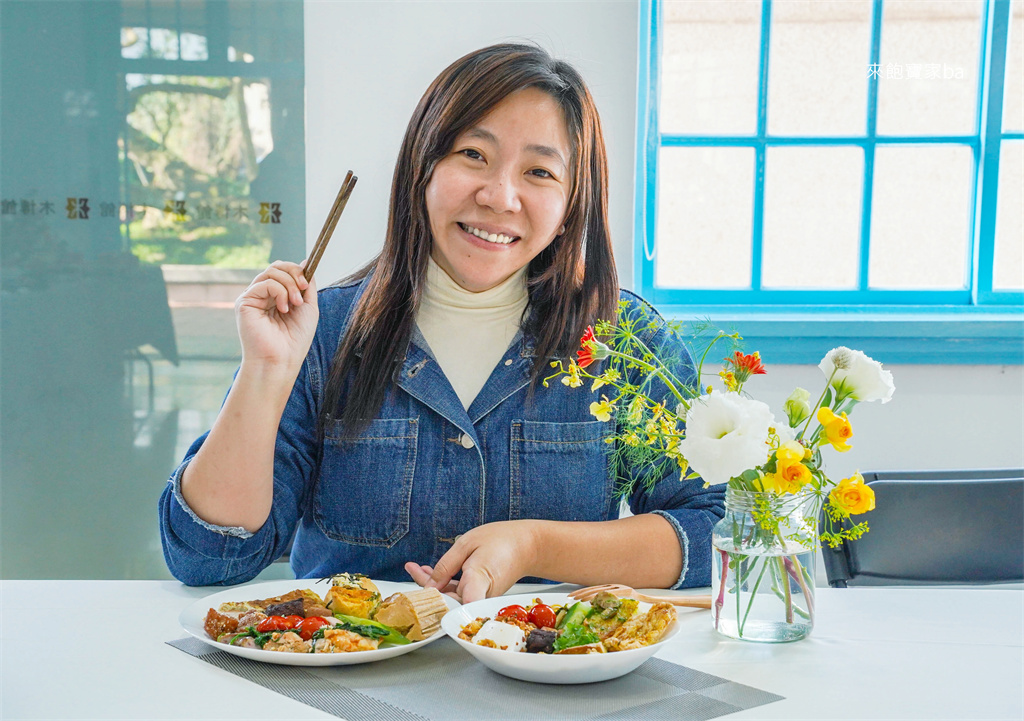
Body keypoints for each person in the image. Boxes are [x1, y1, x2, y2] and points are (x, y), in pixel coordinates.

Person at [159, 43, 724, 601]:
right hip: (338, 684)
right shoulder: (322, 331)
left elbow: (712, 531)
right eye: (474, 155)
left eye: (539, 172)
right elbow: (208, 558)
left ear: (573, 199)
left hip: (554, 683)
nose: (500, 196)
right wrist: (266, 370)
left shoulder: (622, 340)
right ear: (422, 167)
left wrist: (532, 546)